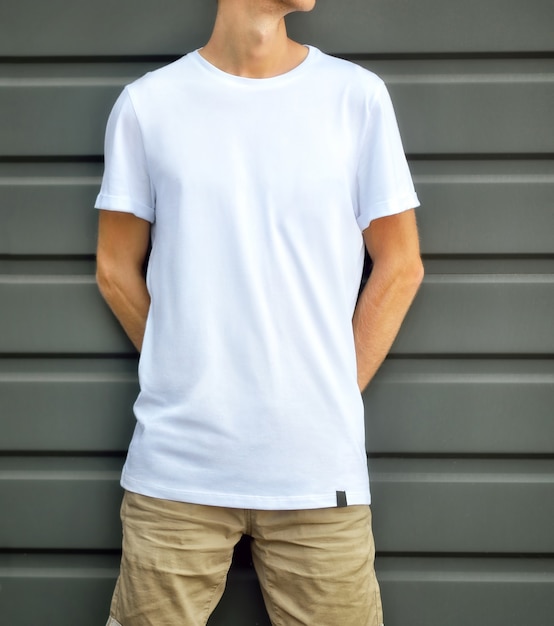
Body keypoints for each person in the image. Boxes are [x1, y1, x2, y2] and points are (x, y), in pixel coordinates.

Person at [95, 0, 423, 624]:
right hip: (178, 471)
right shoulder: (149, 105)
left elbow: (401, 264)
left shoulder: (355, 98)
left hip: (317, 470)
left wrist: (324, 390)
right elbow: (115, 268)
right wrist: (184, 368)